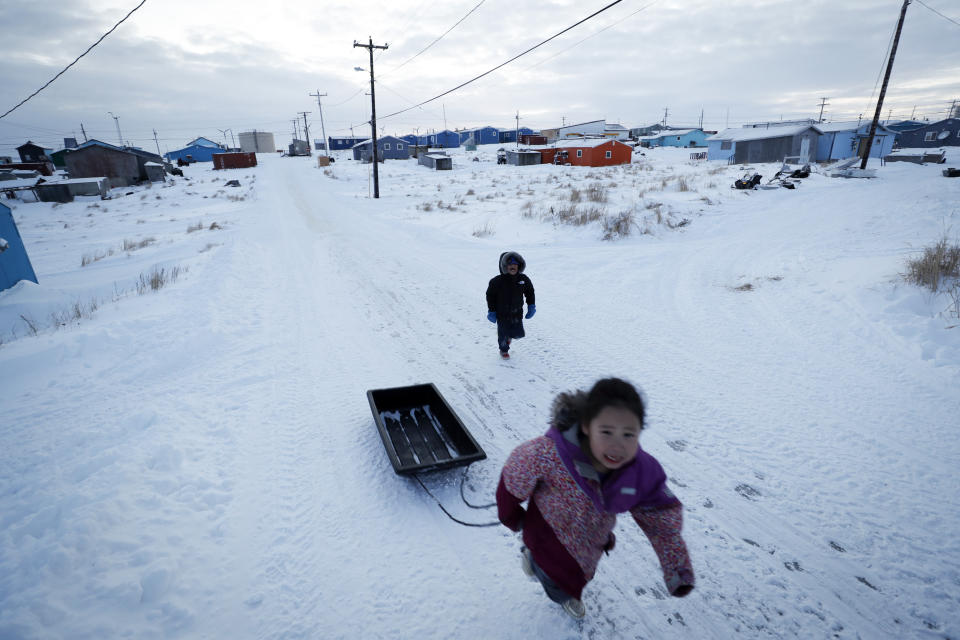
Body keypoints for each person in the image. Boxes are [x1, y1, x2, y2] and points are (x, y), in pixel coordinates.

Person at [496, 378, 694, 619]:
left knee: (581, 575)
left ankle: (554, 575)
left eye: (628, 434)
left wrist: (676, 567)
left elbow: (660, 518)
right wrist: (513, 518)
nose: (617, 445)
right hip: (547, 540)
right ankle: (556, 587)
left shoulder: (638, 471)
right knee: (557, 585)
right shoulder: (547, 453)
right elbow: (511, 482)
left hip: (591, 546)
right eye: (607, 431)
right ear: (588, 426)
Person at [485, 251, 535, 359]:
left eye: (515, 264)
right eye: (510, 265)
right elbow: (490, 296)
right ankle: (503, 350)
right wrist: (492, 311)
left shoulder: (523, 279)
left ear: (519, 266)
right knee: (503, 334)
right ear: (504, 266)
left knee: (519, 334)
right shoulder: (496, 281)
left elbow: (530, 292)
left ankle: (509, 338)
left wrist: (531, 306)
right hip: (501, 314)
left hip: (517, 312)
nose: (513, 266)